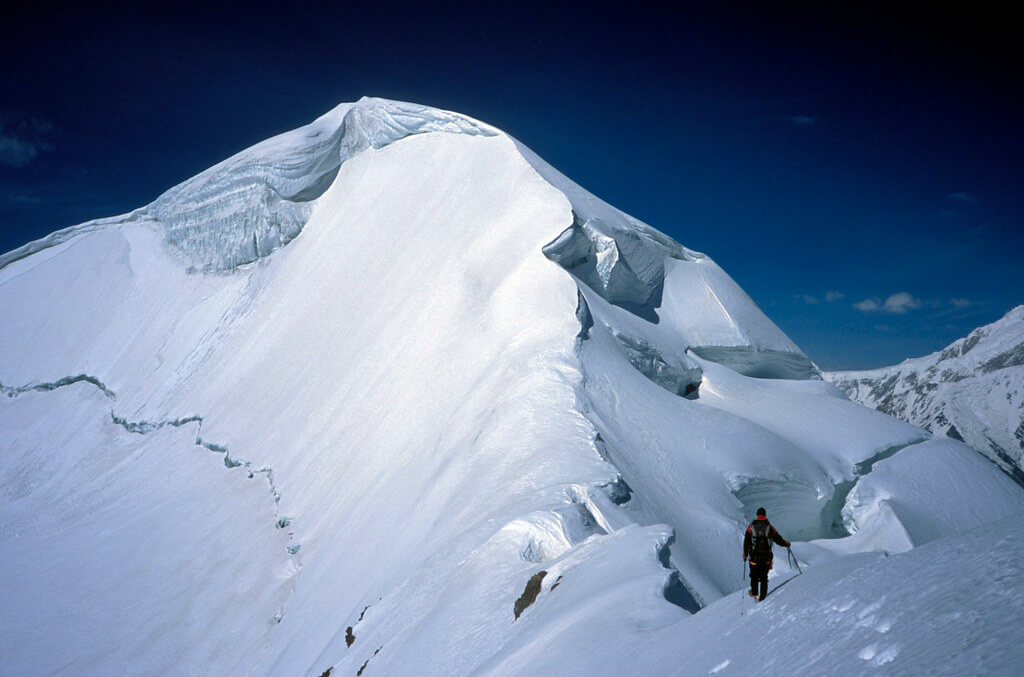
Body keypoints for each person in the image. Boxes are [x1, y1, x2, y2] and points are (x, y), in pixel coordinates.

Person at [742, 507, 790, 601]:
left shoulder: (751, 527)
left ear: (757, 515)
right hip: (766, 558)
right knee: (764, 577)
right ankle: (763, 597)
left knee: (754, 576)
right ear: (765, 515)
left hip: (754, 557)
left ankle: (755, 593)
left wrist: (745, 554)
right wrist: (787, 544)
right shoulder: (770, 527)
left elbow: (746, 542)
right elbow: (778, 539)